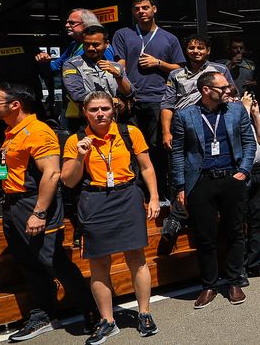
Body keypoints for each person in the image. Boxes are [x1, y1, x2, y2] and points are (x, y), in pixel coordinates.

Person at [0, 83, 95, 342]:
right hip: (12, 205)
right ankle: (44, 315)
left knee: (54, 262)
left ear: (15, 105)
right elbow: (14, 173)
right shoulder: (11, 133)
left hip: (34, 204)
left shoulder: (38, 131)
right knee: (28, 263)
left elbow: (52, 173)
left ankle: (92, 312)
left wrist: (39, 213)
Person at [60, 92, 160, 343]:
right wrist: (80, 156)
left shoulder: (130, 133)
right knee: (99, 264)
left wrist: (154, 197)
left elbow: (147, 167)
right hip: (94, 200)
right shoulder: (75, 140)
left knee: (136, 258)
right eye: (94, 109)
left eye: (104, 108)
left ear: (113, 110)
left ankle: (144, 313)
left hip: (127, 196)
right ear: (85, 112)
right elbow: (68, 181)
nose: (100, 114)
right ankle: (107, 320)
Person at [170, 71, 255, 309]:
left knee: (235, 232)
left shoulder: (236, 110)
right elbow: (178, 153)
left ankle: (235, 281)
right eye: (223, 87)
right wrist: (180, 186)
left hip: (231, 178)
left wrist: (243, 171)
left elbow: (249, 143)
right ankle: (209, 285)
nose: (229, 90)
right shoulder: (184, 115)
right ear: (206, 90)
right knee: (204, 237)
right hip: (200, 182)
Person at [158, 35, 233, 241]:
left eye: (200, 48)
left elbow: (231, 96)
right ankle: (177, 217)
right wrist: (166, 131)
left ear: (208, 51)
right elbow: (167, 104)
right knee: (179, 172)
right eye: (191, 47)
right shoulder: (175, 74)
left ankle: (204, 215)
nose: (196, 51)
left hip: (212, 127)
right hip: (183, 127)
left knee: (205, 171)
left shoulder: (220, 70)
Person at [111, 0, 185, 204]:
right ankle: (136, 195)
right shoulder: (123, 34)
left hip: (157, 100)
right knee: (130, 147)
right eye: (137, 9)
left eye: (145, 7)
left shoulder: (169, 38)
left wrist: (158, 63)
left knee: (156, 148)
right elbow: (120, 63)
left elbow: (179, 69)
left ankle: (160, 194)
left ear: (154, 9)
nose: (141, 12)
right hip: (130, 99)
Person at [227, 86, 260, 283]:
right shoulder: (228, 117)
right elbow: (237, 137)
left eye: (237, 97)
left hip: (258, 169)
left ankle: (257, 263)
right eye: (231, 98)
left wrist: (255, 114)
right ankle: (239, 268)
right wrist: (245, 109)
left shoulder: (246, 114)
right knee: (238, 222)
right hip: (239, 171)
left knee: (259, 218)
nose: (236, 100)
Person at [61, 25, 132, 129]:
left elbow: (130, 93)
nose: (90, 48)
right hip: (82, 123)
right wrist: (113, 101)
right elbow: (77, 95)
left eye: (95, 45)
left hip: (113, 122)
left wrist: (118, 76)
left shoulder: (116, 66)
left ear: (106, 44)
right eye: (87, 44)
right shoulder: (72, 64)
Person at [36, 9, 116, 74]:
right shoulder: (74, 44)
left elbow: (109, 75)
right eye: (67, 22)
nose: (66, 25)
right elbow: (55, 67)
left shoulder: (102, 47)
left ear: (87, 24)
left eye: (72, 23)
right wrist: (45, 61)